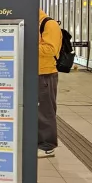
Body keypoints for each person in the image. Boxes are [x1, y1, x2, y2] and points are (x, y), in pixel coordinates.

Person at [38, 9, 63, 158]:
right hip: (33, 72)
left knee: (45, 111)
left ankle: (47, 146)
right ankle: (37, 142)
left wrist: (22, 43)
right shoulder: (34, 24)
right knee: (36, 110)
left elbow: (51, 49)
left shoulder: (49, 24)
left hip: (45, 74)